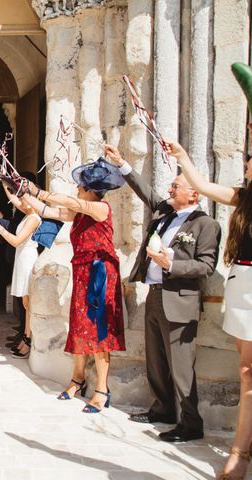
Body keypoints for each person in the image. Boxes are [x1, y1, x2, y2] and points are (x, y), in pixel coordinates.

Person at [104, 144, 221, 442]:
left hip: (180, 300)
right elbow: (147, 192)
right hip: (155, 295)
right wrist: (122, 163)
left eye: (176, 185)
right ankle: (162, 408)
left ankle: (191, 424)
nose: (170, 189)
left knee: (182, 367)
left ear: (193, 193)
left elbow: (206, 266)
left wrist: (172, 264)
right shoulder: (166, 212)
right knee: (155, 360)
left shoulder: (206, 225)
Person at [163, 139, 251, 477]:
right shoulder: (244, 198)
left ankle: (240, 452)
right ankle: (241, 451)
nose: (246, 163)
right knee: (247, 371)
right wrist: (183, 155)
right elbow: (201, 186)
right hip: (243, 283)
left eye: (251, 159)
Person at [22, 158, 126, 413]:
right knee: (80, 327)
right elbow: (49, 211)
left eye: (80, 186)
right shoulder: (81, 211)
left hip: (100, 273)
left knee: (99, 331)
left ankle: (102, 388)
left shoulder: (100, 208)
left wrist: (40, 191)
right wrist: (21, 190)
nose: (77, 189)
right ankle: (76, 379)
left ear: (91, 189)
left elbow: (71, 202)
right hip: (82, 272)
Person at [0, 187, 40, 358]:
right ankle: (25, 337)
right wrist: (3, 180)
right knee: (25, 304)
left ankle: (29, 341)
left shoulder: (33, 218)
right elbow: (13, 198)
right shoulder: (27, 213)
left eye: (22, 198)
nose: (18, 201)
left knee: (29, 304)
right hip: (21, 259)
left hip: (28, 259)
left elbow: (16, 241)